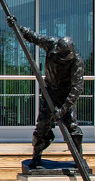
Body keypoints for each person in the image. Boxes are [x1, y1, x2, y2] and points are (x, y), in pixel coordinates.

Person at [16, 27, 86, 168]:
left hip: (66, 96)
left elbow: (77, 88)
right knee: (42, 127)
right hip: (49, 93)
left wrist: (64, 109)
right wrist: (17, 27)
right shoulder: (51, 43)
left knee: (73, 128)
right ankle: (36, 157)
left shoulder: (77, 61)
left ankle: (79, 159)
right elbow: (33, 36)